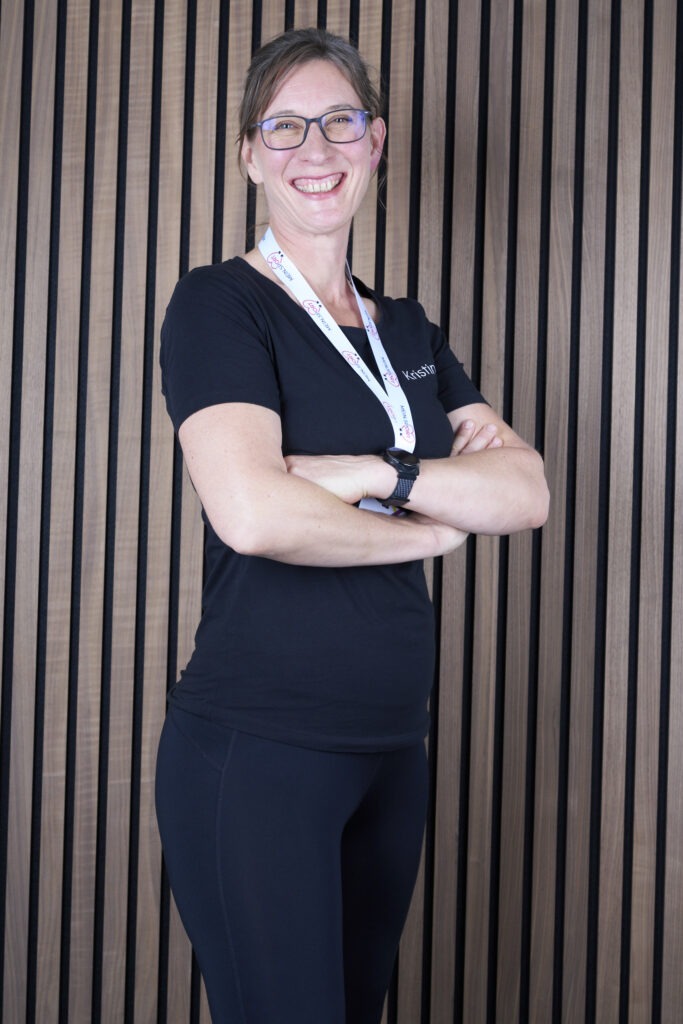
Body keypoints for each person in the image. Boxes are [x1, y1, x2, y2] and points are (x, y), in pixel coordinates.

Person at [155, 26, 549, 1024]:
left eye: (339, 121)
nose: (314, 149)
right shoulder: (220, 307)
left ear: (375, 141)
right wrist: (428, 525)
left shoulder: (405, 329)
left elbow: (523, 492)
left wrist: (376, 472)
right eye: (282, 127)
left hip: (391, 751)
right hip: (260, 750)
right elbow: (252, 513)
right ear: (249, 157)